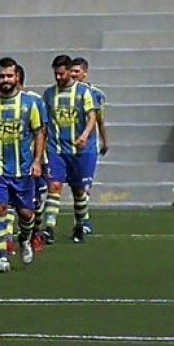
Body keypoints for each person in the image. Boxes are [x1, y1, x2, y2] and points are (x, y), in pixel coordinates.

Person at [0, 58, 45, 272]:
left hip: (23, 169)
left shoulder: (30, 103)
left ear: (17, 77)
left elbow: (39, 133)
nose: (5, 80)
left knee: (26, 214)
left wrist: (37, 161)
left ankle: (24, 239)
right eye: (1, 76)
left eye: (9, 76)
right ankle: (2, 257)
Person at [41, 54, 97, 244]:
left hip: (79, 151)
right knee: (54, 186)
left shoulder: (83, 92)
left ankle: (80, 224)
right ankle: (49, 227)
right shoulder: (49, 94)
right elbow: (44, 123)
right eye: (56, 74)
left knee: (79, 190)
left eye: (61, 74)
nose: (58, 77)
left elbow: (91, 117)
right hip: (56, 149)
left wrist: (84, 136)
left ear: (69, 72)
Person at [70, 56, 108, 235]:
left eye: (77, 71)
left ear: (85, 72)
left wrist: (105, 141)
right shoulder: (64, 93)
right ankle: (80, 219)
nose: (74, 75)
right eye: (72, 71)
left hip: (89, 146)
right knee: (72, 186)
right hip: (67, 146)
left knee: (85, 186)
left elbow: (100, 121)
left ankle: (83, 220)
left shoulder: (96, 94)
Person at [15, 63, 50, 253]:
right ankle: (12, 238)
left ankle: (36, 232)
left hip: (34, 159)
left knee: (36, 200)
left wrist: (39, 157)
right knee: (13, 202)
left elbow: (42, 130)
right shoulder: (0, 100)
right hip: (13, 161)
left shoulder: (34, 101)